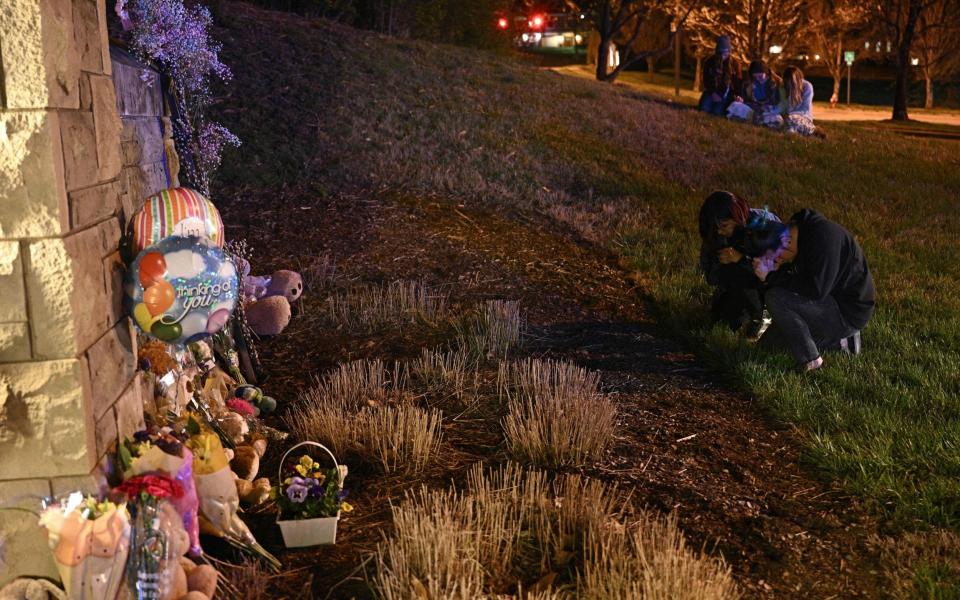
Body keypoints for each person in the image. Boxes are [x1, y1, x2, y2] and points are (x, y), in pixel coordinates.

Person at [749, 209, 875, 372]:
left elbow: (815, 290)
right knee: (768, 346)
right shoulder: (800, 234)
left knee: (776, 298)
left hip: (848, 311)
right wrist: (771, 274)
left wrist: (772, 276)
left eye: (775, 257)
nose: (776, 261)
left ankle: (811, 360)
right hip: (829, 300)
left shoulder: (823, 240)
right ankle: (841, 342)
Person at [698, 191, 779, 340]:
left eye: (724, 225)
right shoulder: (716, 235)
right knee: (722, 321)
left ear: (738, 218)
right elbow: (711, 276)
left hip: (769, 288)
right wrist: (722, 263)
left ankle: (763, 317)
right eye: (716, 228)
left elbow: (777, 272)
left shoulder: (763, 226)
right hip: (739, 288)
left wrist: (741, 259)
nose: (720, 231)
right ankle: (746, 315)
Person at [699, 36, 742, 116]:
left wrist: (738, 95)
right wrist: (712, 93)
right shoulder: (710, 62)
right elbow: (706, 79)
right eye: (721, 53)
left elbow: (737, 81)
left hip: (726, 92)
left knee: (718, 112)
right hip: (712, 90)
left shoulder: (735, 64)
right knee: (705, 108)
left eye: (726, 54)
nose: (723, 56)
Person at [742, 60, 782, 128]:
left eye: (760, 76)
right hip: (755, 108)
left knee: (775, 118)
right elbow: (747, 100)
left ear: (766, 73)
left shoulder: (775, 83)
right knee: (736, 106)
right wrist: (741, 100)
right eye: (755, 77)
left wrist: (769, 107)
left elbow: (778, 102)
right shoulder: (750, 83)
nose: (757, 79)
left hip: (770, 110)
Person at [779, 66, 816, 136]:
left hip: (804, 117)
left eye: (791, 82)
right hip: (788, 117)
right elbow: (783, 106)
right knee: (777, 120)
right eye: (787, 81)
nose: (789, 84)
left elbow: (805, 109)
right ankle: (792, 131)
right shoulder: (784, 87)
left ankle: (808, 130)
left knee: (791, 120)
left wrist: (790, 115)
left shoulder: (807, 86)